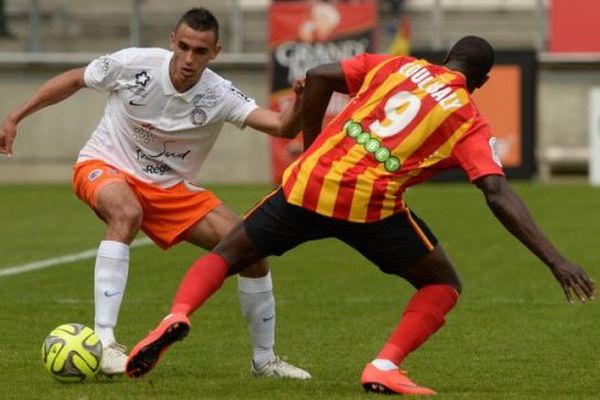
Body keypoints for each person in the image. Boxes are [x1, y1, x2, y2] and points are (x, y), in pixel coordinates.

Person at [124, 36, 595, 394]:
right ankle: (385, 366)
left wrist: (310, 148)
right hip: (369, 206)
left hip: (310, 183)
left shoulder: (396, 65)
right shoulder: (469, 118)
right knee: (442, 284)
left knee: (229, 254)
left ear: (446, 57)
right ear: (483, 81)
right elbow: (496, 192)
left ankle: (177, 314)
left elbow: (322, 75)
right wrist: (556, 260)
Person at [0, 7, 311, 379]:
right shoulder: (134, 64)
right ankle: (104, 341)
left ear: (216, 52)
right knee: (126, 213)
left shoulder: (219, 93)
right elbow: (74, 79)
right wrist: (15, 117)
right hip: (105, 165)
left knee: (252, 252)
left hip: (170, 189)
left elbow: (280, 127)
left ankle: (265, 360)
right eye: (184, 47)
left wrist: (300, 103)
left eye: (200, 51)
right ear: (172, 42)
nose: (189, 58)